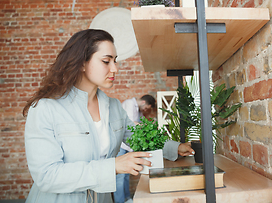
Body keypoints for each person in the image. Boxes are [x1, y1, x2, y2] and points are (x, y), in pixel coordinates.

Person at [23, 29, 194, 203]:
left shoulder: (113, 107)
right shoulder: (46, 108)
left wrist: (174, 148)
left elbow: (137, 137)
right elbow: (46, 176)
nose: (115, 69)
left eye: (115, 60)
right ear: (82, 63)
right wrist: (113, 166)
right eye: (106, 61)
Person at [113, 95, 156, 203]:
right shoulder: (129, 104)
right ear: (143, 102)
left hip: (129, 146)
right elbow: (131, 124)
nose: (145, 110)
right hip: (122, 146)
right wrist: (147, 126)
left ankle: (127, 198)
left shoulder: (137, 109)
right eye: (146, 108)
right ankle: (120, 201)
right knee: (119, 178)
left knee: (126, 175)